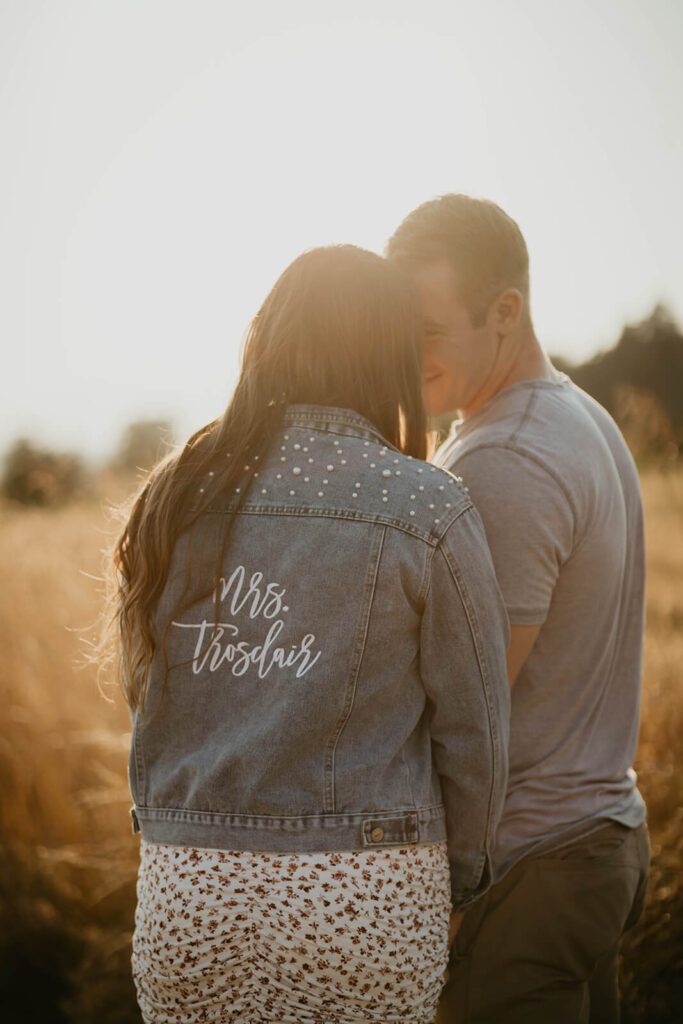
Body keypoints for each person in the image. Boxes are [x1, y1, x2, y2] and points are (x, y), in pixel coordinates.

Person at [113, 244, 510, 1023]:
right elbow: (476, 736)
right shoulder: (427, 505)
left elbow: (146, 690)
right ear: (386, 355)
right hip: (366, 895)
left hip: (189, 892)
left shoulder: (175, 493)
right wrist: (460, 880)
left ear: (267, 342)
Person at [387, 195, 650, 1024]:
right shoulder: (577, 417)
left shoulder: (505, 456)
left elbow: (467, 707)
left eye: (426, 329)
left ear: (505, 312)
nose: (405, 353)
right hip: (588, 843)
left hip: (526, 869)